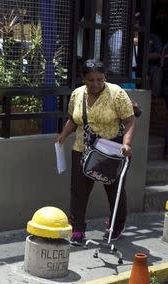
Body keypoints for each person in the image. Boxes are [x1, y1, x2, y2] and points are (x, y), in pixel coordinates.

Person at [56, 59, 136, 246]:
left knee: (114, 190)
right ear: (83, 79)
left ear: (105, 77)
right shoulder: (77, 94)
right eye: (91, 80)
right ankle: (77, 229)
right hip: (82, 149)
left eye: (100, 79)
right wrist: (63, 135)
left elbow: (130, 121)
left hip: (112, 151)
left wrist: (127, 144)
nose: (96, 84)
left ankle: (116, 226)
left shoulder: (117, 94)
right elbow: (73, 119)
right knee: (78, 191)